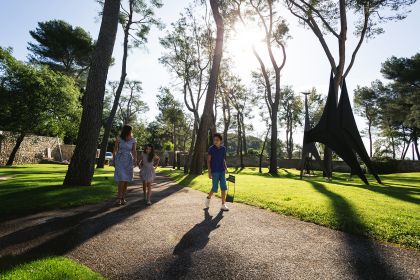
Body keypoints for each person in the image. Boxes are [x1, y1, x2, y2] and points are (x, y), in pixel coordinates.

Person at [113, 125, 137, 206]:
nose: (131, 132)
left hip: (129, 160)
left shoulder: (133, 139)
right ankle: (119, 198)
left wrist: (135, 160)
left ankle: (123, 197)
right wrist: (114, 159)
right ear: (127, 130)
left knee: (126, 179)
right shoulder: (119, 138)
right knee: (121, 179)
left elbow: (134, 150)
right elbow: (115, 149)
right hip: (120, 159)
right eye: (131, 130)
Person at [205, 133, 229, 211]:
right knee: (215, 188)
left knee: (223, 187)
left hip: (222, 171)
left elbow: (223, 159)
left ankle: (223, 204)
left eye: (217, 140)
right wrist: (209, 172)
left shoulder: (223, 149)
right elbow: (208, 161)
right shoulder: (211, 149)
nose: (215, 141)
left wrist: (226, 168)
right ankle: (208, 198)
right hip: (214, 171)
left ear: (220, 141)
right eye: (214, 140)